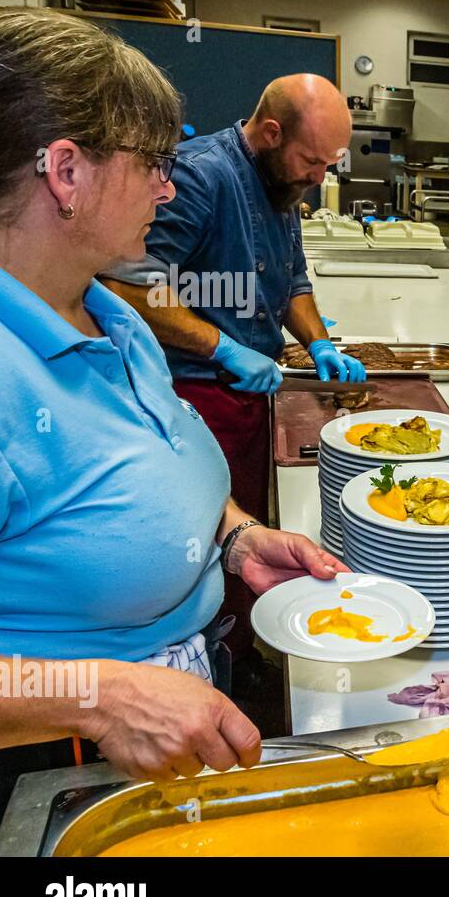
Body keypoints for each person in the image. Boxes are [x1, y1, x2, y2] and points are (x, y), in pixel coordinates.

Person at [0, 8, 348, 818]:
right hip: (60, 770)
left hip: (174, 713)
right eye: (153, 162)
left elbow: (156, 466)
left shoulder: (109, 317)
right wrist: (100, 698)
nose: (168, 183)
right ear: (65, 173)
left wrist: (233, 536)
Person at [101, 74, 365, 659]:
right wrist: (220, 346)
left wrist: (319, 345)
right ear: (271, 133)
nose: (319, 178)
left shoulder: (281, 185)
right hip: (195, 397)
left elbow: (293, 282)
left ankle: (245, 646)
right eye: (311, 161)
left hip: (249, 398)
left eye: (328, 165)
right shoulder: (200, 176)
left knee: (244, 536)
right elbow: (130, 287)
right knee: (205, 545)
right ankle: (218, 654)